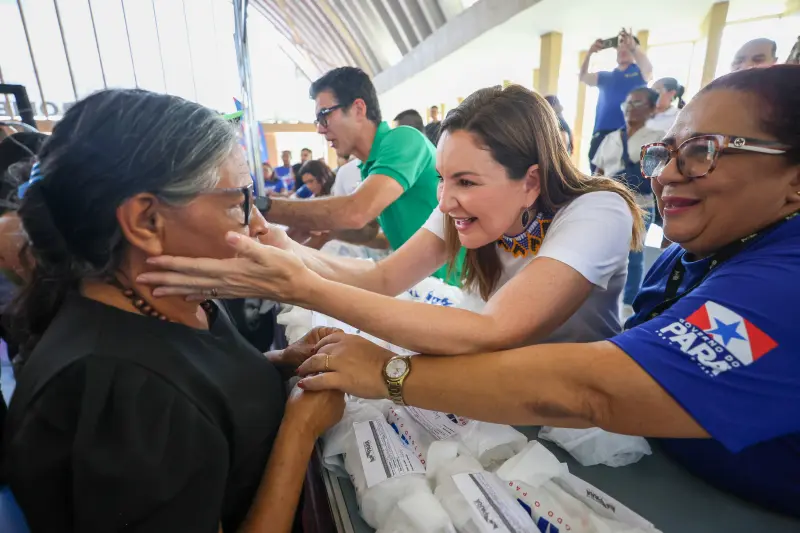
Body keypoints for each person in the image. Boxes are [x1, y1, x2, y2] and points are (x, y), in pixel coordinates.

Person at [293, 65, 800, 519]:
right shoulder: (698, 250)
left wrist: (387, 370)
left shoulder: (780, 281)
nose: (666, 174)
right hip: (640, 464)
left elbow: (590, 387)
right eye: (666, 153)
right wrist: (284, 259)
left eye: (701, 153)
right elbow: (385, 280)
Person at [0, 89, 344, 533]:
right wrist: (300, 431)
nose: (259, 225)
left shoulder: (174, 299)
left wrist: (278, 363)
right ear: (146, 222)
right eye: (239, 201)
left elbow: (196, 387)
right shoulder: (121, 399)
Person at [139, 85, 644, 355]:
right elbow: (382, 278)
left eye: (466, 182)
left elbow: (493, 329)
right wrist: (281, 248)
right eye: (443, 179)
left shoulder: (597, 211)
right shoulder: (455, 210)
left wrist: (302, 287)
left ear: (531, 181)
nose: (445, 201)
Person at [259, 67, 459, 281]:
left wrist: (262, 206)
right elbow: (375, 235)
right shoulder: (370, 167)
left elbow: (355, 211)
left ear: (358, 109)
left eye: (324, 116)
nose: (320, 129)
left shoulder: (403, 139)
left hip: (454, 287)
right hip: (425, 285)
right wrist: (330, 231)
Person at [593, 87, 665, 307]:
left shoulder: (657, 138)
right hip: (609, 202)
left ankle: (629, 303)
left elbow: (655, 175)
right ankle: (597, 298)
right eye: (628, 103)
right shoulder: (611, 138)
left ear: (652, 109)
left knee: (633, 255)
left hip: (639, 205)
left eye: (638, 103)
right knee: (601, 249)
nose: (630, 109)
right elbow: (599, 173)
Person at [581, 29, 652, 172]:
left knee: (623, 179)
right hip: (601, 135)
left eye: (626, 47)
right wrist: (589, 53)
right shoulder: (606, 76)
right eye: (619, 48)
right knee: (596, 177)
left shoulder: (638, 72)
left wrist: (633, 46)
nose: (622, 50)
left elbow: (648, 70)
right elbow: (583, 77)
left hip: (626, 135)